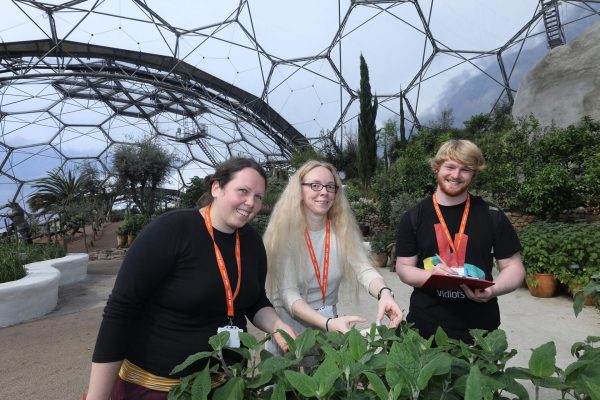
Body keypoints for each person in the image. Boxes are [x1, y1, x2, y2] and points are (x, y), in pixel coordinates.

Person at [86, 157, 296, 400]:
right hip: (156, 387)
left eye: (258, 197)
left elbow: (254, 300)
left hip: (225, 386)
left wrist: (278, 326)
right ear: (216, 188)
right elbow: (121, 310)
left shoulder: (251, 243)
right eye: (243, 191)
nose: (251, 202)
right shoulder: (172, 230)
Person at [394, 139, 525, 343]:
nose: (456, 175)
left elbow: (514, 267)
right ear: (437, 167)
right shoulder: (414, 216)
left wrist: (493, 290)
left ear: (474, 173)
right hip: (425, 328)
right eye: (450, 166)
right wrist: (429, 275)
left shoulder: (493, 216)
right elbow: (403, 268)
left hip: (480, 332)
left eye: (465, 169)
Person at [263, 160, 403, 345]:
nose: (324, 192)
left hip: (331, 326)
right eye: (315, 185)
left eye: (330, 186)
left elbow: (364, 270)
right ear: (299, 190)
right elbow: (289, 295)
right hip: (290, 334)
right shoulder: (284, 235)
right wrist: (328, 323)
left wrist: (385, 293)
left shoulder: (342, 231)